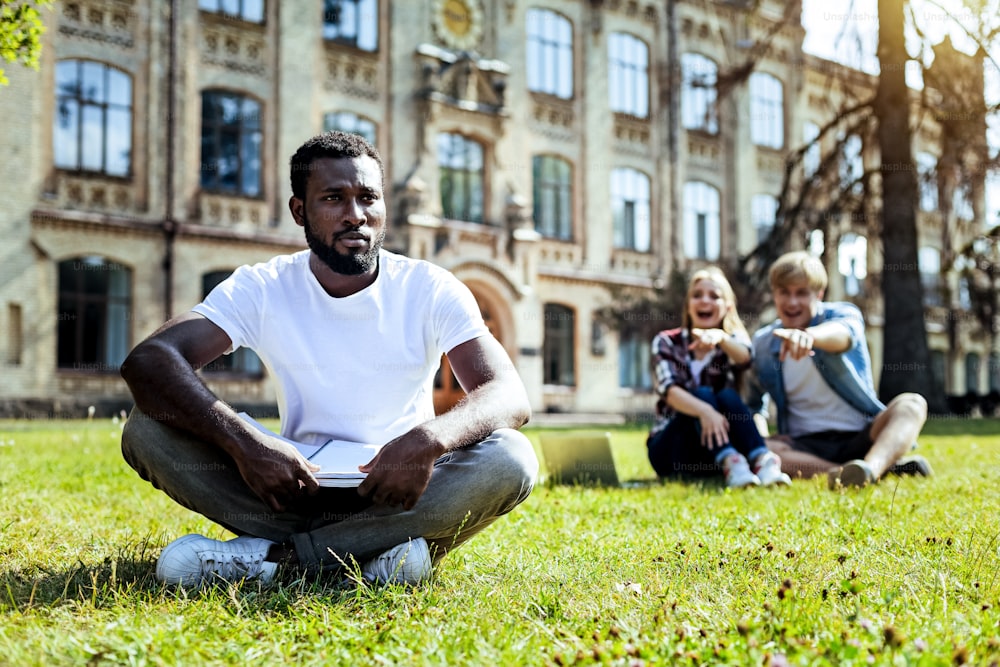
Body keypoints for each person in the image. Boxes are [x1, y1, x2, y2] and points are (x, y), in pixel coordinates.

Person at [120, 131, 538, 589]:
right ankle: (375, 558)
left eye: (368, 198)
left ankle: (278, 561)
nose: (355, 215)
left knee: (512, 457)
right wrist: (246, 445)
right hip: (286, 490)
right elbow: (151, 359)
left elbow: (508, 394)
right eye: (334, 198)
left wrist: (429, 440)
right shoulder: (264, 286)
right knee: (146, 428)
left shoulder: (430, 287)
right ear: (300, 210)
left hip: (402, 493)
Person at [750, 251, 930, 488]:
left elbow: (844, 334)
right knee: (758, 447)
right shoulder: (764, 343)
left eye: (802, 293)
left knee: (912, 404)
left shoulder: (843, 314)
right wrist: (761, 435)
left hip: (860, 435)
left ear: (819, 294)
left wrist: (809, 337)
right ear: (774, 295)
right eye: (785, 292)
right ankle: (861, 471)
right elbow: (753, 404)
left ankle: (870, 468)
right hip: (804, 446)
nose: (792, 302)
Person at [646, 267, 791, 488]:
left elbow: (745, 357)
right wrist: (706, 412)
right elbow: (670, 392)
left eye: (714, 296)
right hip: (671, 448)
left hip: (712, 447)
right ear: (688, 305)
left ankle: (761, 460)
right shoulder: (667, 342)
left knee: (727, 395)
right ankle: (731, 461)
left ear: (728, 307)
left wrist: (721, 339)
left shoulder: (730, 345)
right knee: (703, 394)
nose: (705, 301)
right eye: (697, 295)